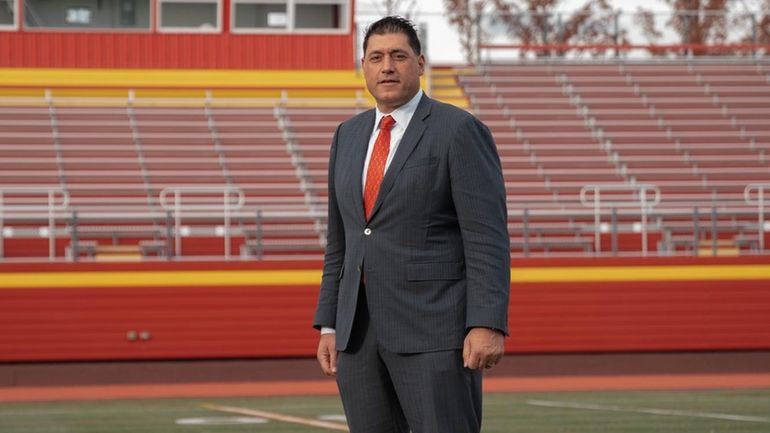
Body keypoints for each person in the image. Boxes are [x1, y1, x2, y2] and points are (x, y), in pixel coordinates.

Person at [313, 15, 510, 433]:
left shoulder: (458, 130)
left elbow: (486, 238)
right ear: (363, 67)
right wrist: (330, 323)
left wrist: (487, 322)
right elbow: (341, 243)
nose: (387, 66)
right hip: (358, 338)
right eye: (376, 57)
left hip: (435, 335)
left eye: (399, 56)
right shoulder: (346, 137)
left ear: (420, 63)